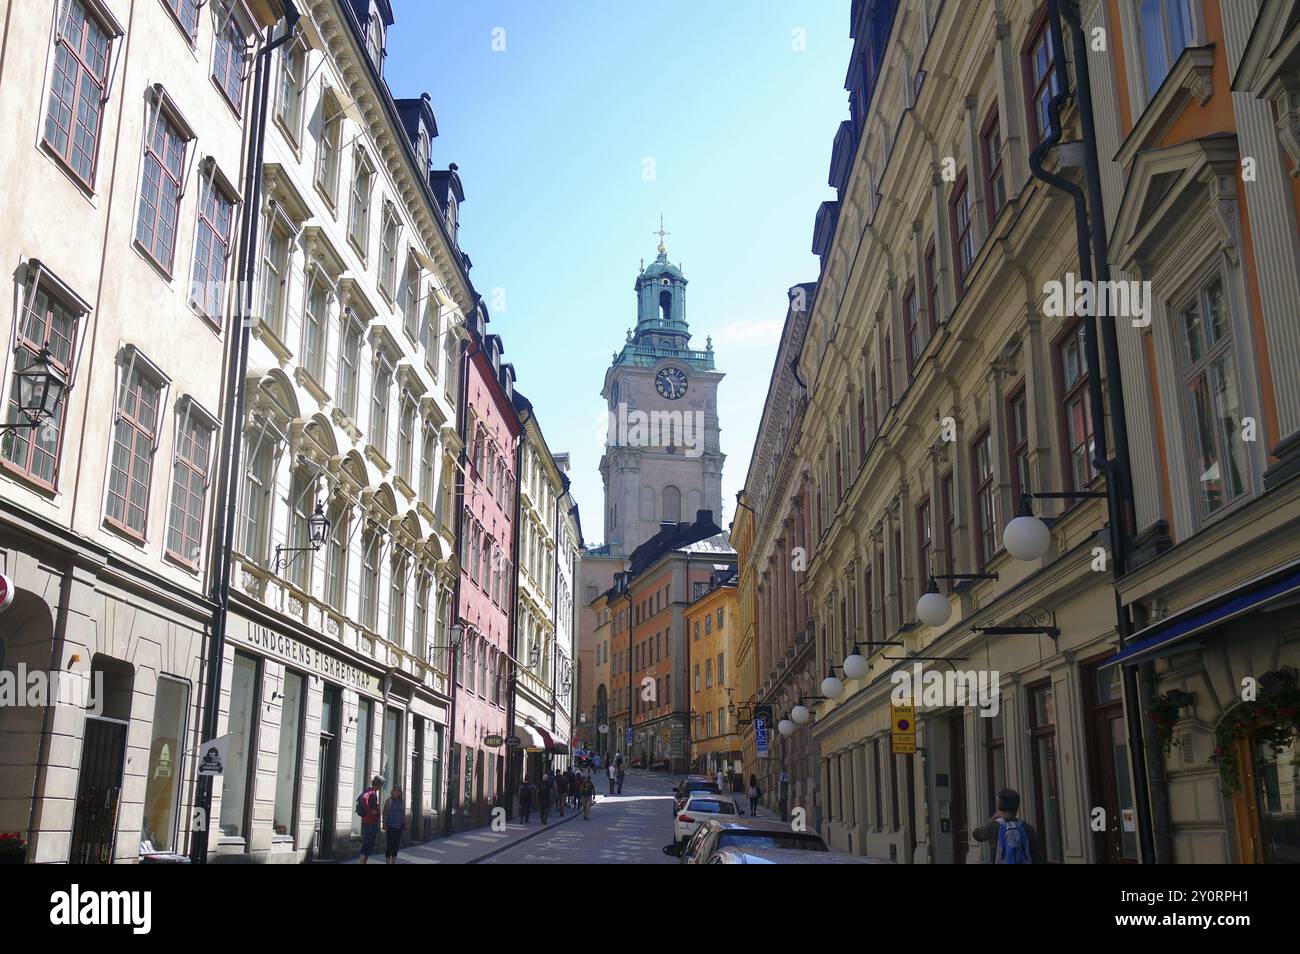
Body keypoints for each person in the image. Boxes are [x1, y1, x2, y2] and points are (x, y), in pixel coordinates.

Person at [971, 789, 1044, 864]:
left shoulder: (994, 826)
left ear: (999, 805)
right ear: (1017, 806)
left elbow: (976, 834)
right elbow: (1037, 857)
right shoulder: (1027, 828)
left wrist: (992, 820)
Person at [357, 774, 384, 864]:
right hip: (370, 822)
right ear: (379, 785)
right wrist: (370, 810)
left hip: (368, 822)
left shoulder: (370, 791)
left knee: (368, 843)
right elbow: (364, 798)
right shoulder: (372, 793)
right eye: (381, 784)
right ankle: (362, 862)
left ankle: (364, 862)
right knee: (368, 843)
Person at [382, 784, 405, 864]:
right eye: (396, 790)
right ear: (392, 791)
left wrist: (404, 823)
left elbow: (403, 813)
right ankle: (388, 862)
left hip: (398, 827)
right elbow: (384, 813)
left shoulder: (402, 801)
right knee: (389, 845)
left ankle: (393, 862)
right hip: (390, 826)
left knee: (396, 845)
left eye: (399, 791)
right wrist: (384, 824)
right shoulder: (389, 800)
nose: (397, 792)